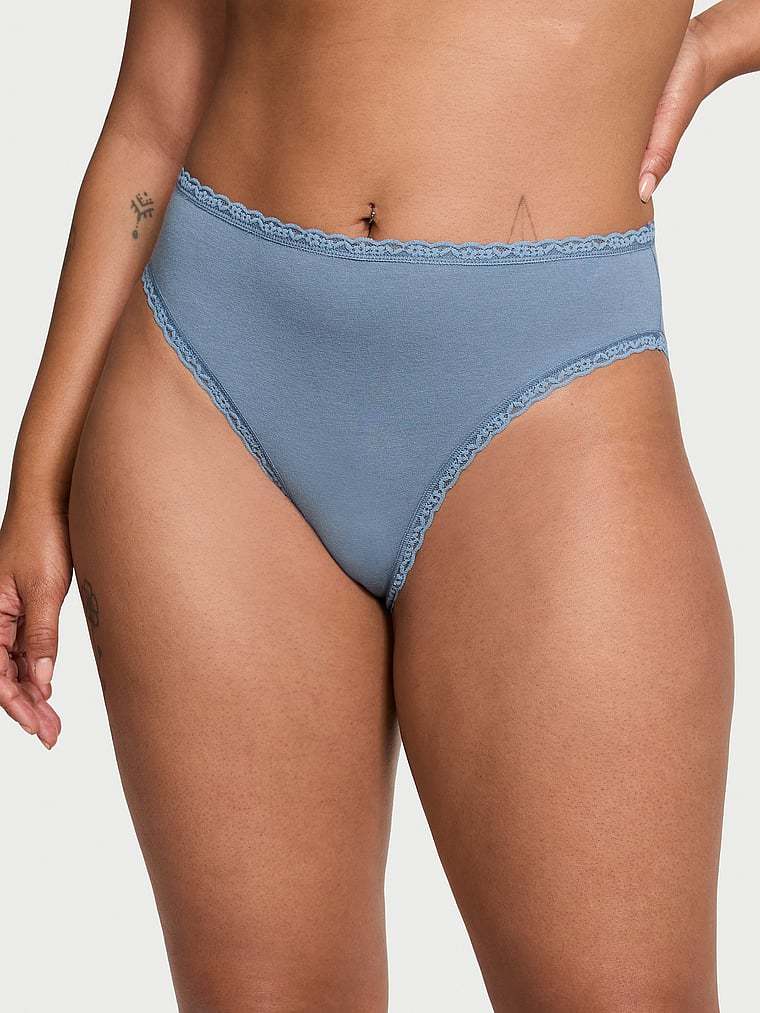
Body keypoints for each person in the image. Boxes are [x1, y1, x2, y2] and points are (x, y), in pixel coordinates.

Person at [2, 2, 757, 1009]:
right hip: (205, 383)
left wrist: (713, 44)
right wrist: (36, 477)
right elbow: (154, 101)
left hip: (550, 389)